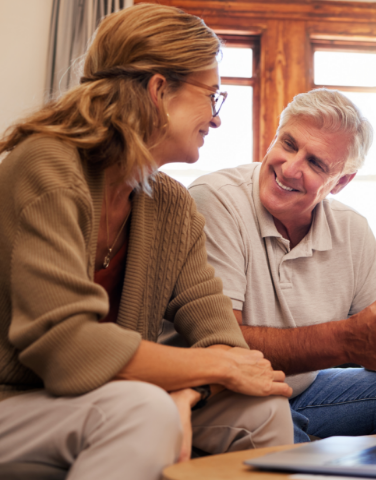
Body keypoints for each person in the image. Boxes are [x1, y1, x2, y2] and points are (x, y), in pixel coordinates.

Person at [0, 4, 294, 479]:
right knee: (141, 408)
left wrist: (187, 391)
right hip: (14, 401)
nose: (216, 120)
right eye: (211, 96)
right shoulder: (46, 167)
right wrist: (205, 374)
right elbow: (69, 350)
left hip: (109, 396)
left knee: (262, 408)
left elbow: (225, 344)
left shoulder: (172, 205)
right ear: (160, 91)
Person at [189, 88, 376, 443]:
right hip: (217, 394)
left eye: (315, 163)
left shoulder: (352, 229)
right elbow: (224, 345)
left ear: (342, 181)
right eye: (288, 144)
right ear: (273, 139)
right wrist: (346, 340)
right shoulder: (216, 199)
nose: (290, 167)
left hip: (300, 392)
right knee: (279, 421)